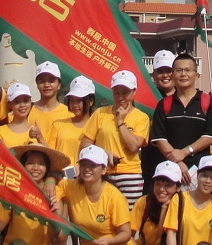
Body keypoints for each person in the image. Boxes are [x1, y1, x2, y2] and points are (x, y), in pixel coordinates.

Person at [49, 145, 137, 245]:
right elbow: (57, 181)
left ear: (103, 170)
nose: (87, 169)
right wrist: (50, 182)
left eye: (93, 165)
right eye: (84, 165)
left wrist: (109, 241)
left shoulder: (114, 196)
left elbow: (125, 234)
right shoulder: (72, 187)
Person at [85, 70, 150, 206]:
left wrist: (120, 121)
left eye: (125, 92)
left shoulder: (141, 117)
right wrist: (104, 153)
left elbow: (133, 146)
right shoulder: (100, 113)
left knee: (129, 217)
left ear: (134, 92)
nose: (120, 96)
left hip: (130, 175)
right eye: (116, 92)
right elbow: (85, 144)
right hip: (103, 173)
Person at [150, 52, 212, 182]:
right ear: (173, 75)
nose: (183, 74)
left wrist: (185, 152)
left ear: (196, 75)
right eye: (178, 70)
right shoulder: (164, 104)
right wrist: (177, 162)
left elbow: (210, 136)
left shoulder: (207, 101)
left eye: (187, 70)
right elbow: (159, 138)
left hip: (200, 171)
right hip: (170, 170)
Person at [139, 50, 176, 186]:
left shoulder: (185, 99)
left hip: (179, 165)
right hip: (152, 166)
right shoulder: (143, 100)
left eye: (169, 70)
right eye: (161, 71)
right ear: (154, 75)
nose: (165, 75)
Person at [49, 76, 95, 164]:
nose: (74, 104)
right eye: (72, 100)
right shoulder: (58, 125)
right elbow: (50, 153)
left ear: (91, 101)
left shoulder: (97, 126)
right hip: (60, 176)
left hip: (84, 176)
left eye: (79, 100)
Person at [28, 62, 71, 144]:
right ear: (37, 84)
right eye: (42, 81)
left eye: (51, 81)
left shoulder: (68, 113)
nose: (47, 85)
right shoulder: (27, 111)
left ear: (59, 85)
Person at [0, 82, 38, 149]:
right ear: (10, 104)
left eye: (26, 101)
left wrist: (40, 138)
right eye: (17, 102)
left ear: (30, 102)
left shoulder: (36, 132)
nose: (22, 105)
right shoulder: (0, 132)